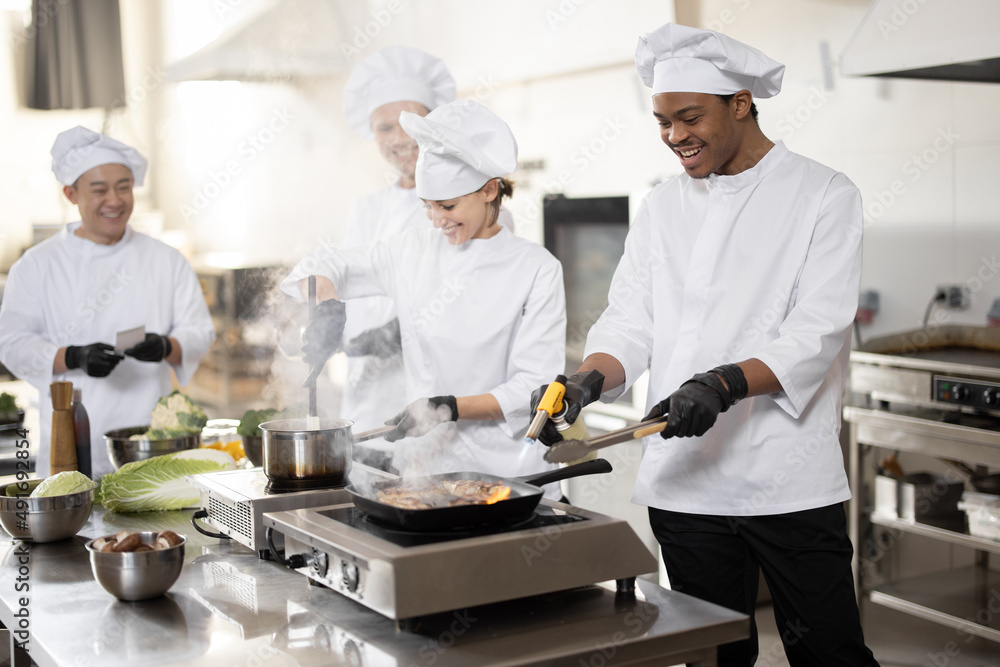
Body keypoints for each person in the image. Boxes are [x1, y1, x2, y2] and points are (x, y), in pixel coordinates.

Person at [534, 23, 879, 667]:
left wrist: (721, 383)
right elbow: (630, 321)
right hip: (686, 484)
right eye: (662, 122)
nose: (674, 136)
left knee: (830, 653)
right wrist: (587, 380)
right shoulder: (663, 207)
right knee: (712, 658)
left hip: (787, 477)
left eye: (689, 117)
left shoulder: (824, 195)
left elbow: (816, 332)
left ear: (741, 103)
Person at [283, 99, 565, 494]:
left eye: (448, 206)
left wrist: (449, 407)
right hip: (429, 473)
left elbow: (536, 386)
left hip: (511, 473)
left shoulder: (537, 269)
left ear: (488, 190)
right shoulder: (413, 249)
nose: (436, 220)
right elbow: (326, 262)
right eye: (427, 206)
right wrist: (326, 304)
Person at [0, 127, 215, 479]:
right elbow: (11, 343)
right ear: (71, 193)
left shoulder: (165, 260)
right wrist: (72, 356)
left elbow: (199, 331)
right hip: (70, 446)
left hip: (152, 449)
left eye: (124, 187)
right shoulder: (37, 265)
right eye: (99, 190)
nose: (114, 200)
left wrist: (165, 346)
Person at [335, 46, 456, 463]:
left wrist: (399, 332)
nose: (400, 139)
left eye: (410, 123)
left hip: (433, 414)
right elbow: (347, 288)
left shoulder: (473, 209)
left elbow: (468, 306)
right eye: (385, 128)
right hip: (364, 407)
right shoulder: (365, 209)